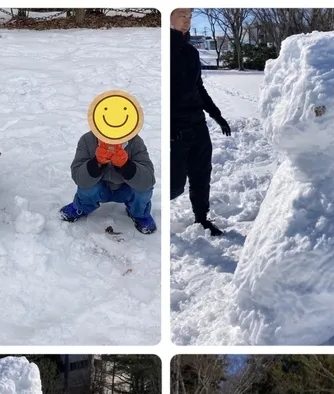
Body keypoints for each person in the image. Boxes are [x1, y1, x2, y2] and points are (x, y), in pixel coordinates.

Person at [170, 7, 231, 237]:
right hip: (176, 130)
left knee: (201, 174)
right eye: (181, 15)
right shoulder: (165, 50)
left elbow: (198, 88)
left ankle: (202, 219)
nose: (187, 21)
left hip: (197, 124)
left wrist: (217, 115)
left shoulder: (191, 52)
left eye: (189, 16)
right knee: (174, 185)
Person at [60, 133, 156, 234]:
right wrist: (96, 163)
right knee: (87, 189)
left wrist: (126, 165)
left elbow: (148, 181)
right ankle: (81, 208)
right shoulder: (87, 140)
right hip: (100, 189)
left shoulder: (135, 141)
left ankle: (139, 213)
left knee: (142, 191)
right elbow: (79, 178)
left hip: (125, 190)